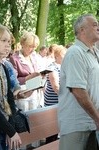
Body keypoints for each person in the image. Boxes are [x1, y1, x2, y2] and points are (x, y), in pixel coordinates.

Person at [58, 14, 99, 150]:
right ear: (82, 30)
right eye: (94, 24)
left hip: (91, 124)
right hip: (77, 126)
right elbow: (78, 91)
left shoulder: (94, 53)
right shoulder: (75, 53)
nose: (98, 27)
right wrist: (97, 117)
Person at [10, 31, 41, 111]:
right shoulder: (15, 58)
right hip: (23, 95)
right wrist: (28, 77)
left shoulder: (35, 57)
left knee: (35, 118)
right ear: (23, 44)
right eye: (30, 46)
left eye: (35, 47)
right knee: (24, 118)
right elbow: (13, 80)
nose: (33, 49)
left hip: (35, 93)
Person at [44, 44, 67, 144]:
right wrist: (67, 96)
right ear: (57, 56)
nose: (65, 57)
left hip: (62, 101)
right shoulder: (52, 67)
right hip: (53, 102)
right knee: (52, 130)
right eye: (63, 55)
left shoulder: (65, 66)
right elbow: (55, 87)